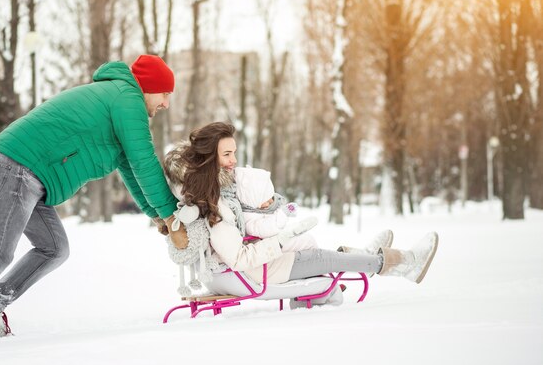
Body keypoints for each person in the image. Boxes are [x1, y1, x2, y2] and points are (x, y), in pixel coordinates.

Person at [0, 55, 187, 353]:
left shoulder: (120, 99)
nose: (165, 104)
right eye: (164, 94)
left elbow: (130, 167)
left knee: (54, 248)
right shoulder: (127, 98)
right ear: (148, 87)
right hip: (19, 166)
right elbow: (144, 160)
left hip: (31, 175)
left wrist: (156, 214)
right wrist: (171, 214)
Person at [163, 122, 439, 301]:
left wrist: (268, 210)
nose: (234, 161)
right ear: (210, 158)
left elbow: (248, 222)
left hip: (259, 265)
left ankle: (365, 256)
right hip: (255, 272)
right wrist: (279, 241)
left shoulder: (223, 193)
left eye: (234, 152)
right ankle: (400, 263)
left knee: (312, 249)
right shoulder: (214, 205)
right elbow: (237, 258)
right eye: (226, 155)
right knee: (321, 257)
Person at [234, 166, 319, 253]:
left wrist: (281, 209)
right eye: (267, 199)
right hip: (268, 246)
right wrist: (283, 213)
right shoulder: (249, 218)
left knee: (307, 240)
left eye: (271, 197)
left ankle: (314, 257)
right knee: (307, 241)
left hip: (275, 241)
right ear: (253, 201)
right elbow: (267, 228)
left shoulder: (257, 209)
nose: (271, 201)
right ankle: (316, 260)